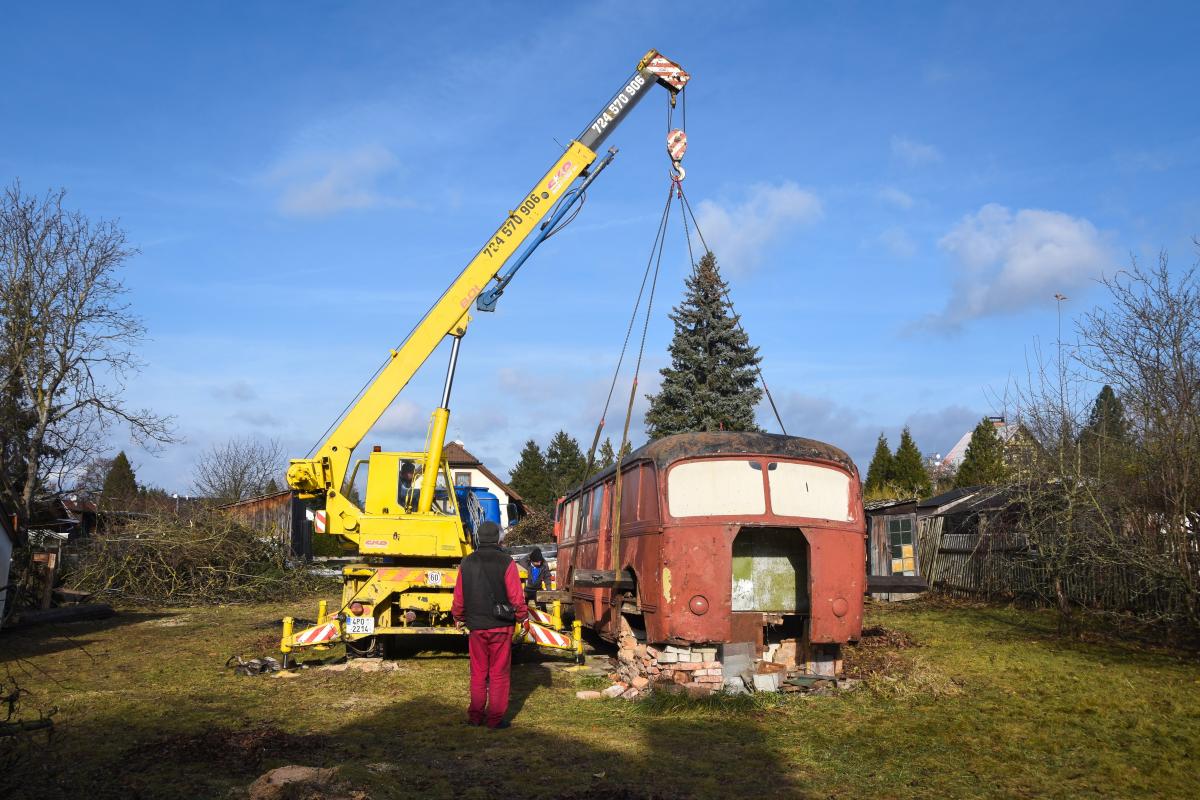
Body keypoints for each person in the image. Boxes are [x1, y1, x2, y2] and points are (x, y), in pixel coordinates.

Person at [451, 521, 528, 729]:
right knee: (499, 673)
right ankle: (494, 719)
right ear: (498, 538)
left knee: (478, 672)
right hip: (501, 626)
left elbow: (459, 596)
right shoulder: (507, 562)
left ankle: (475, 716)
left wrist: (458, 616)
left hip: (476, 626)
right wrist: (523, 617)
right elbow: (515, 596)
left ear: (478, 538)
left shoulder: (466, 562)